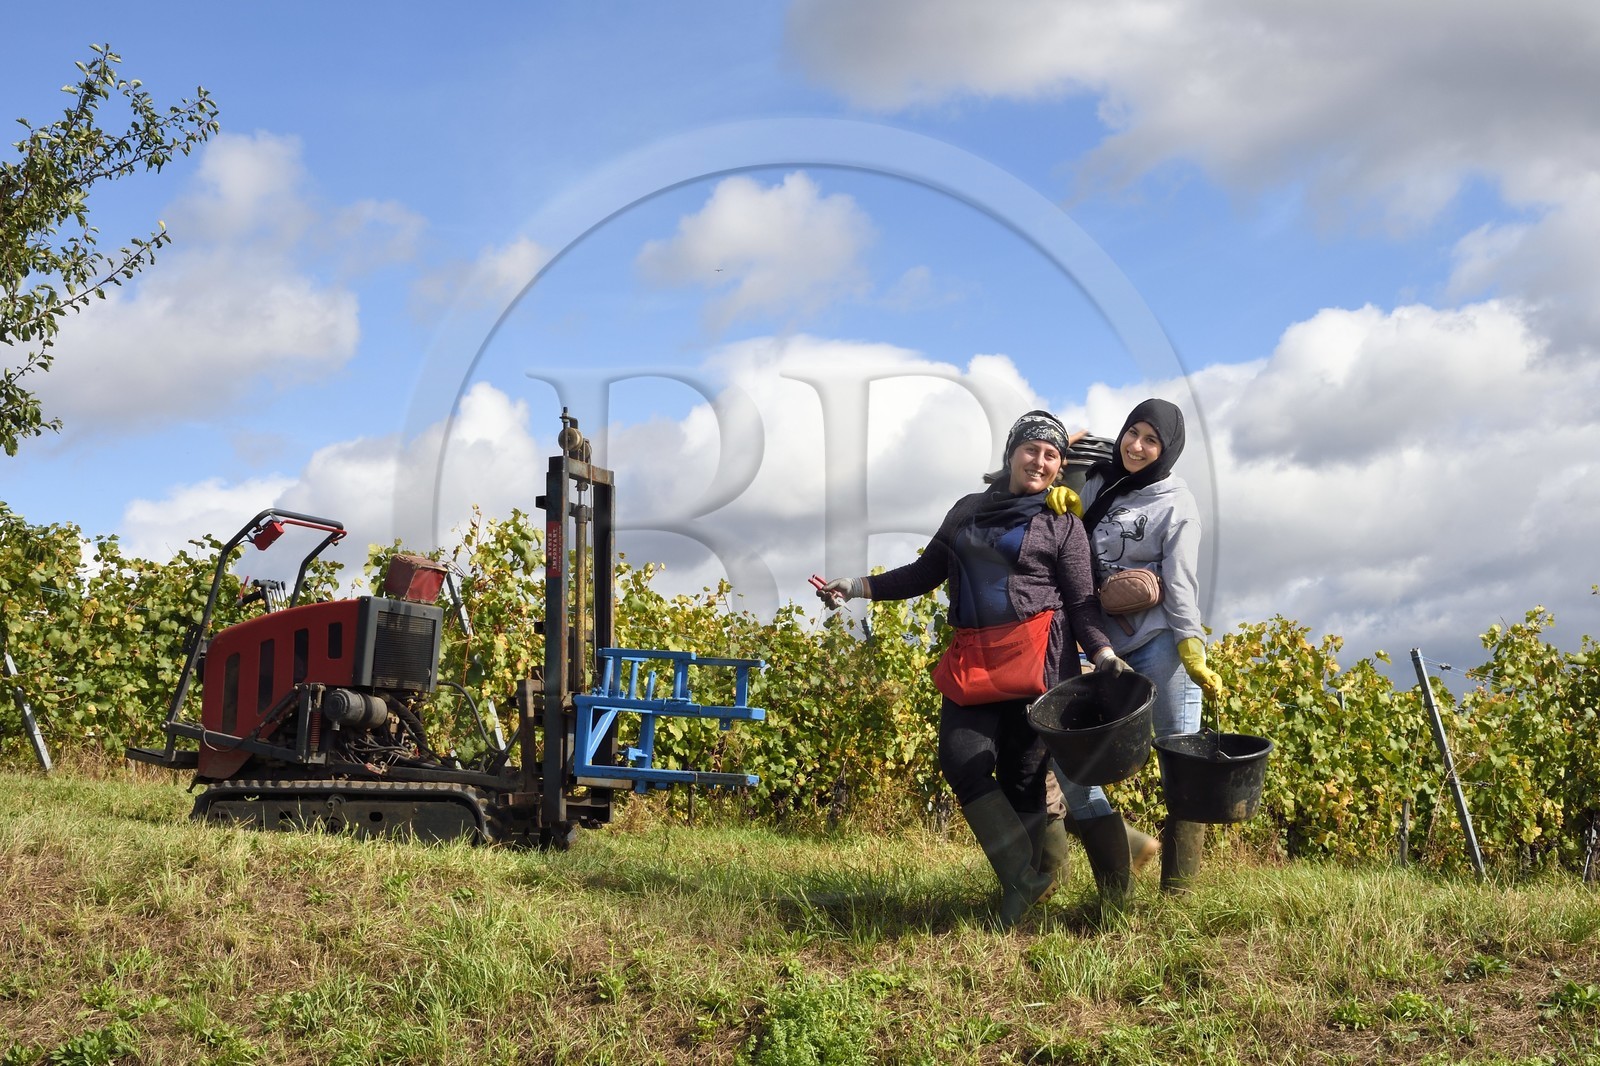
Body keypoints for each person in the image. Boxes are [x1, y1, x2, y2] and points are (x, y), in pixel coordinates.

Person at [817, 410, 1134, 927]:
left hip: (1040, 661)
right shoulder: (967, 509)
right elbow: (925, 571)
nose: (1040, 460)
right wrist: (855, 586)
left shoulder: (1064, 523)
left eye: (1052, 455)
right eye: (1032, 449)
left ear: (1060, 468)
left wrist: (1101, 654)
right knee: (961, 758)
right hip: (976, 656)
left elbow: (1081, 604)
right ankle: (1024, 880)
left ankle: (1023, 892)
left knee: (1023, 776)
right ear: (1011, 453)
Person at [1048, 397, 1225, 893]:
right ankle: (1121, 862)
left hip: (1157, 641)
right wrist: (1064, 496)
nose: (1138, 446)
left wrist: (1190, 645)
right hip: (1099, 645)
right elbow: (1061, 454)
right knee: (1066, 751)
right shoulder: (1104, 478)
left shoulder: (1177, 505)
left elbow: (1182, 581)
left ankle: (1180, 891)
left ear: (1167, 449)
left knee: (1182, 759)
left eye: (1152, 440)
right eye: (1134, 433)